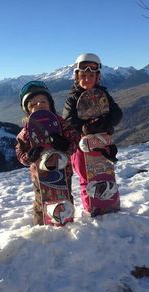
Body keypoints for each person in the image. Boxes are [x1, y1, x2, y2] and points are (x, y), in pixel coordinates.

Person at [62, 53, 123, 215]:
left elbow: (117, 114)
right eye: (83, 75)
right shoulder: (72, 99)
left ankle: (109, 202)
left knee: (104, 173)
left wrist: (106, 122)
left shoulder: (104, 95)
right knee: (86, 176)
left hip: (102, 143)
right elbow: (68, 121)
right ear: (77, 77)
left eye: (91, 75)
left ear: (98, 77)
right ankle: (91, 205)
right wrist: (84, 128)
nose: (87, 79)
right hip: (82, 147)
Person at [16, 80, 80, 225]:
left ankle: (67, 220)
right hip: (40, 174)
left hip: (63, 171)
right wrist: (28, 157)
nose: (38, 105)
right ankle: (42, 225)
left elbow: (75, 140)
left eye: (43, 101)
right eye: (33, 104)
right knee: (41, 199)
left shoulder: (61, 123)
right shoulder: (27, 131)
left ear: (50, 104)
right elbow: (20, 151)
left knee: (65, 195)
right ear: (28, 110)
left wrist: (66, 145)